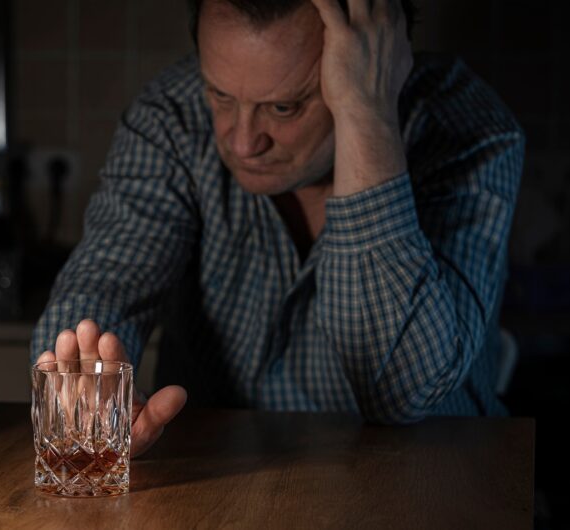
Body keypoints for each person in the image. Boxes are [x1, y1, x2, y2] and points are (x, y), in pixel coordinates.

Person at [31, 0, 525, 457]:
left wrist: (367, 114)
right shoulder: (173, 115)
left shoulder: (465, 129)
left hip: (430, 481)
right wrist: (84, 381)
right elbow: (109, 275)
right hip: (214, 482)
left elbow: (401, 391)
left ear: (378, 58)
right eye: (220, 96)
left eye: (284, 107)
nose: (243, 143)